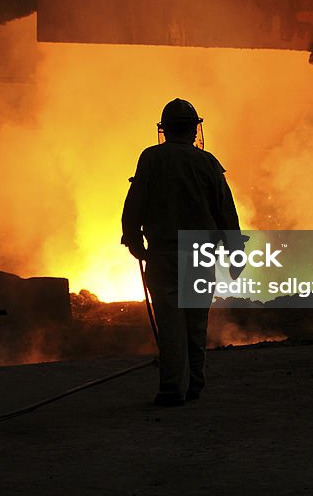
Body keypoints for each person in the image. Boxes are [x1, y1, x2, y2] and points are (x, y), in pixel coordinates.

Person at [121, 98, 241, 407]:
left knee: (170, 323)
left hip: (164, 256)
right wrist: (234, 252)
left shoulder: (150, 159)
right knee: (196, 324)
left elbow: (134, 203)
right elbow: (226, 210)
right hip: (200, 255)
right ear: (193, 130)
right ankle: (195, 385)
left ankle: (172, 389)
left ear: (165, 130)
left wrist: (134, 240)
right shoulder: (208, 163)